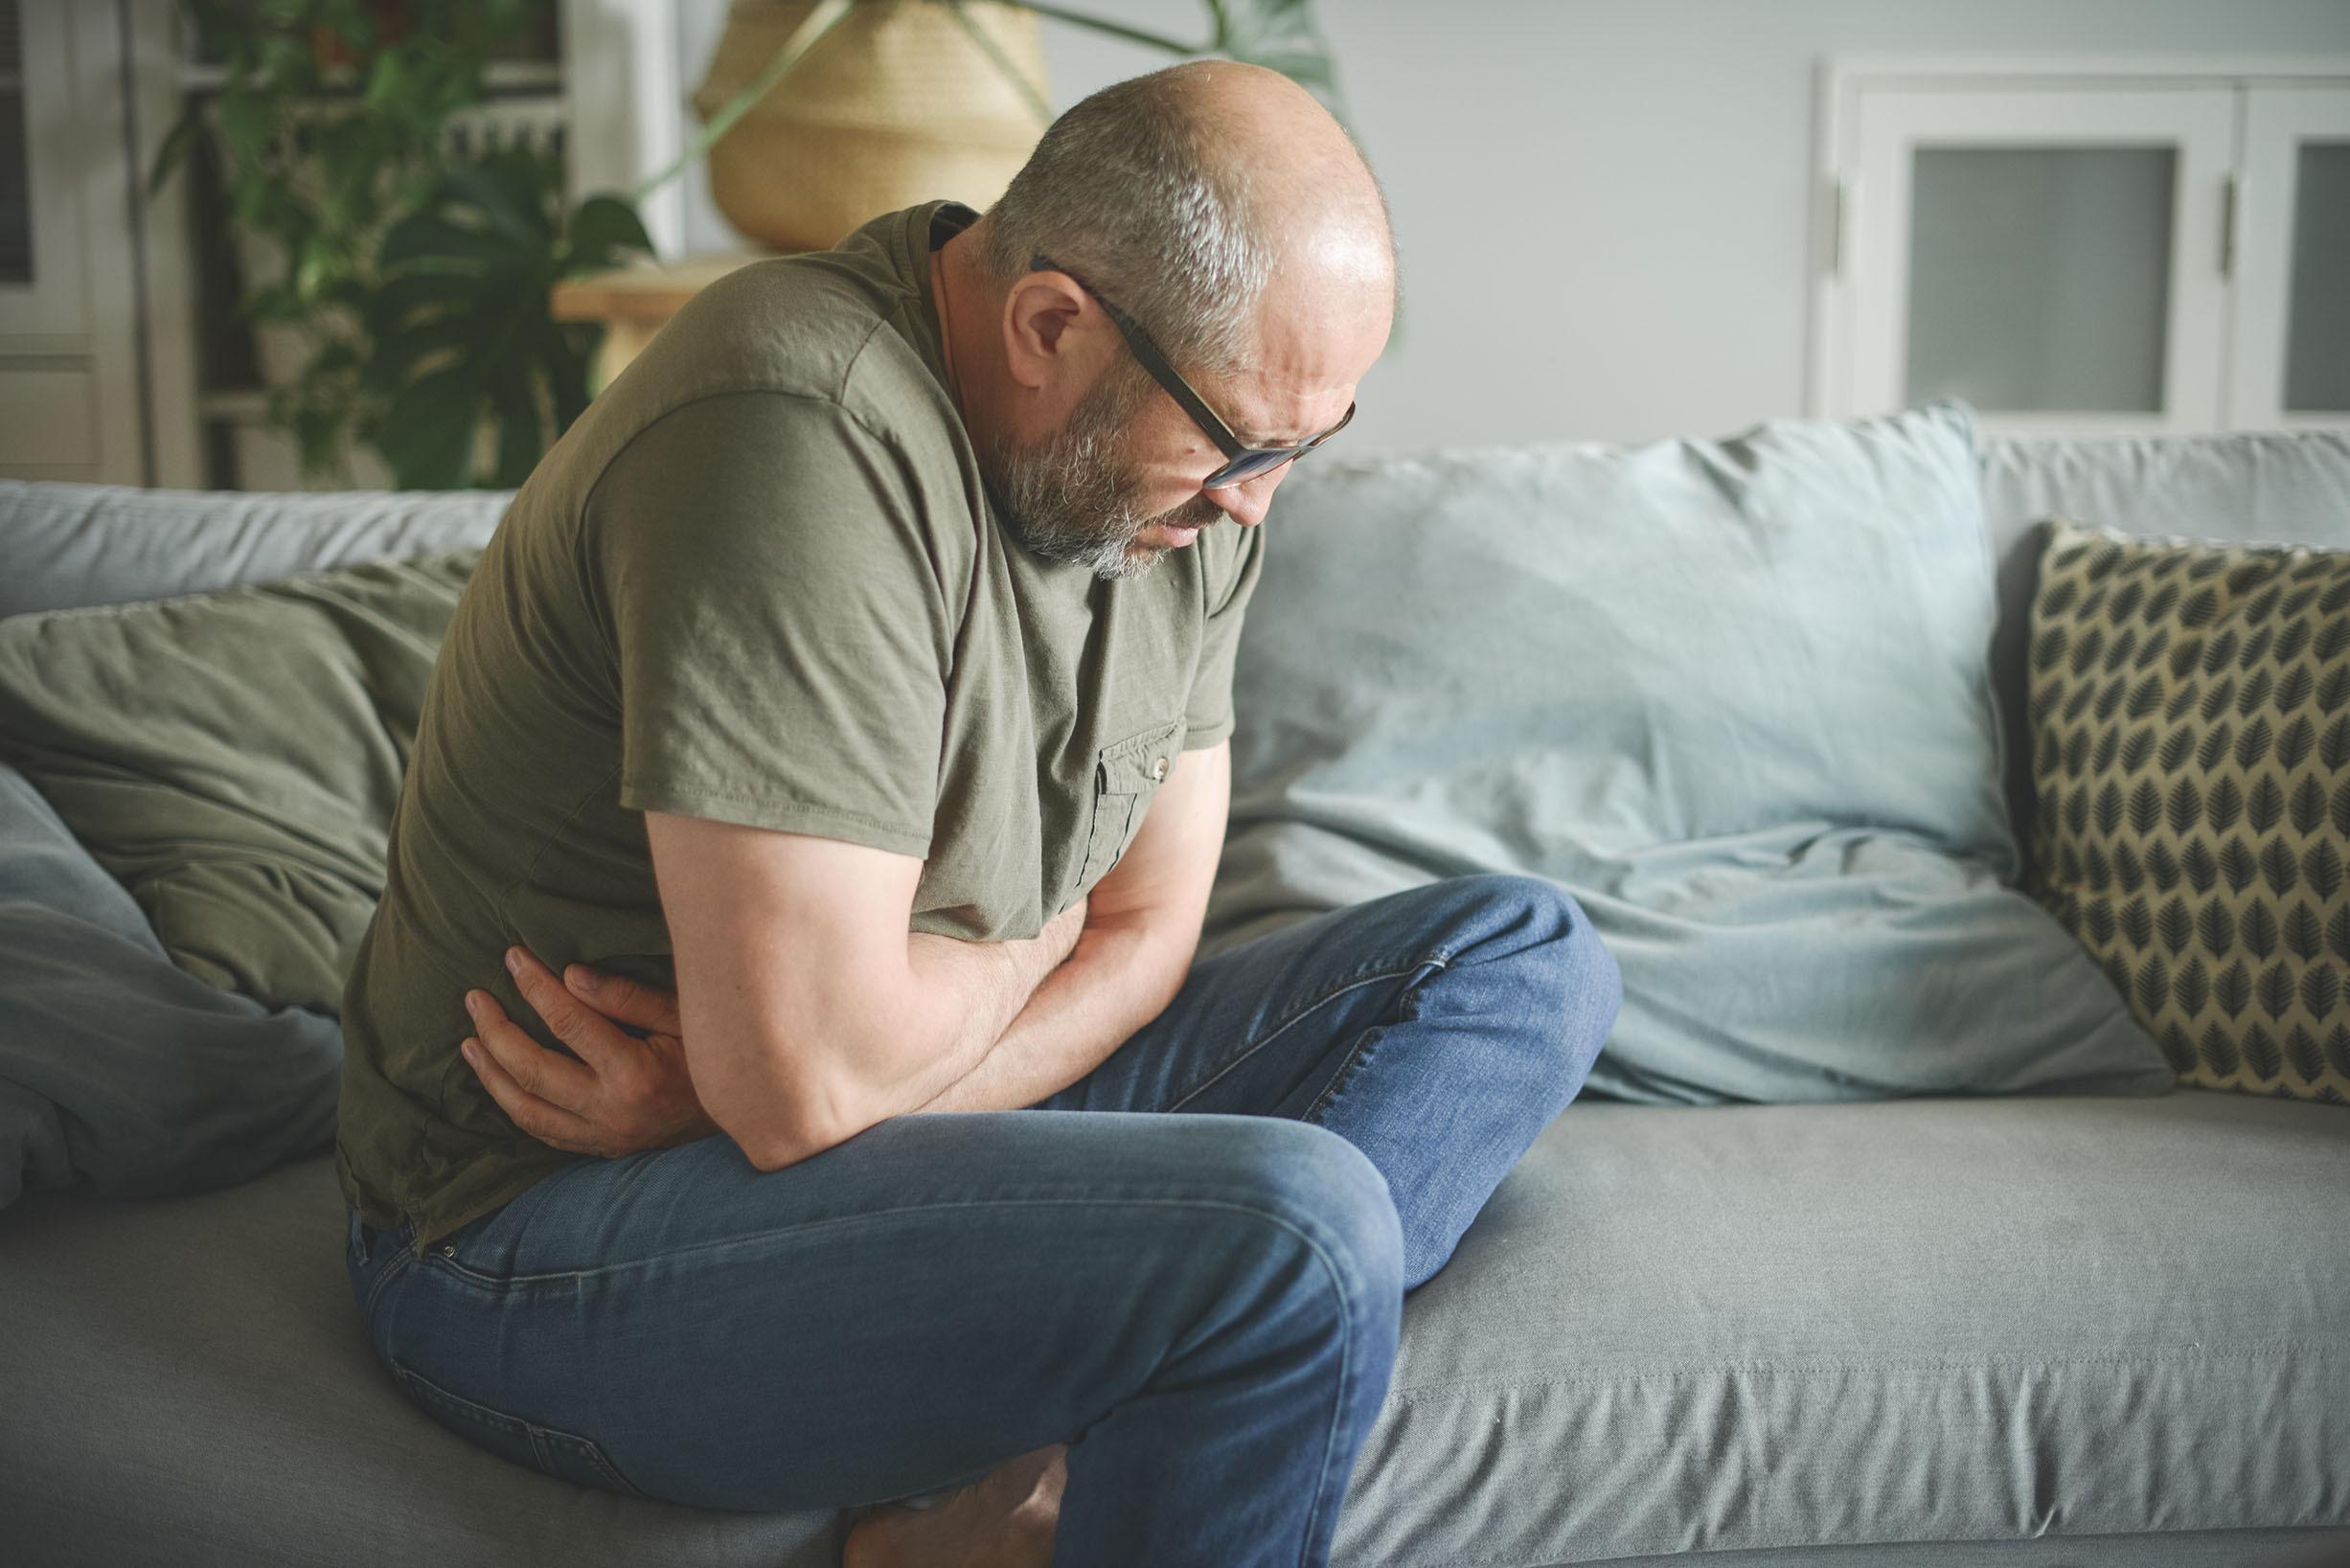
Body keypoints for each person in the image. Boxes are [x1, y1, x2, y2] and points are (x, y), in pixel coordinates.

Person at [335, 58, 1621, 1568]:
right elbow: (820, 1074)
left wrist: (795, 1086)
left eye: (1305, 444)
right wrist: (1012, 959)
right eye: (1242, 444)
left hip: (773, 1118)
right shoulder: (792, 426)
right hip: (541, 1230)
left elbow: (1141, 935)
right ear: (1048, 323)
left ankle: (1052, 1468)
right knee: (1296, 1226)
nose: (1260, 502)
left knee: (1523, 954)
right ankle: (1144, 1364)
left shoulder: (1188, 478)